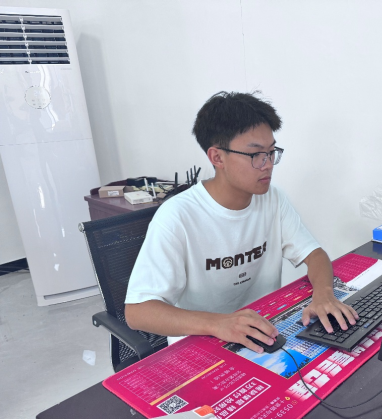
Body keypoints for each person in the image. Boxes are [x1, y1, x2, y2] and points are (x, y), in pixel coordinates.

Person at [124, 91, 358, 353]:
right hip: (201, 344)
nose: (268, 164)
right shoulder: (177, 216)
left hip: (265, 332)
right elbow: (138, 312)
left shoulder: (273, 199)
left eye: (272, 152)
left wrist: (324, 294)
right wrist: (219, 323)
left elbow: (314, 255)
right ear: (217, 158)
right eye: (256, 155)